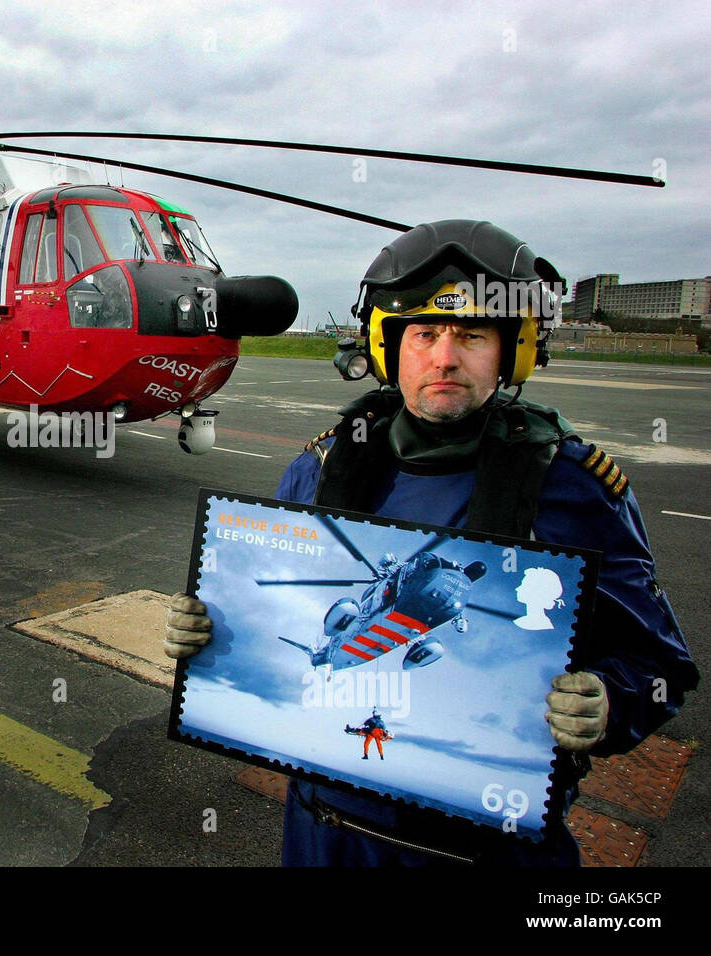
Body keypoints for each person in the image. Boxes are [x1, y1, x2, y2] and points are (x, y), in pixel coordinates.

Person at [165, 220, 698, 865]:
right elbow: (267, 601)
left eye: (472, 335)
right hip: (326, 833)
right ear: (391, 349)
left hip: (487, 846)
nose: (445, 357)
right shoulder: (326, 467)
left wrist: (610, 704)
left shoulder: (571, 484)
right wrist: (209, 632)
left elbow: (659, 664)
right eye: (424, 334)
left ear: (515, 352)